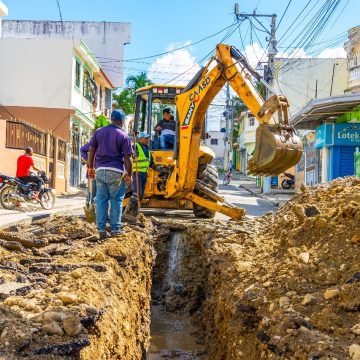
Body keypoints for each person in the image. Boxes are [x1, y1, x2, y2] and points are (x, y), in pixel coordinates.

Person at [87, 109, 133, 239]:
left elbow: (91, 149)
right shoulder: (123, 135)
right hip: (116, 172)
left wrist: (91, 167)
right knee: (116, 200)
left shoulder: (99, 132)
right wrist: (129, 174)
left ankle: (101, 230)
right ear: (122, 121)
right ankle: (115, 229)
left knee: (101, 199)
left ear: (111, 119)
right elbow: (127, 157)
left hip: (100, 170)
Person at [124, 132, 154, 217]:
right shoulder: (135, 146)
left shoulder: (148, 150)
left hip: (144, 174)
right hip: (136, 173)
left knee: (140, 195)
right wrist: (132, 155)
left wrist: (157, 167)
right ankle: (127, 212)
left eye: (148, 138)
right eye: (145, 138)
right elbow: (126, 156)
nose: (147, 140)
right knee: (136, 193)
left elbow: (151, 163)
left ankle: (133, 214)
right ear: (140, 139)